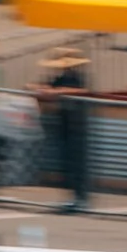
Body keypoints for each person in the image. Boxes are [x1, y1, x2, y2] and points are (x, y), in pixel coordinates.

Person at [33, 46, 92, 212]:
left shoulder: (77, 78)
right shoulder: (59, 78)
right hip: (64, 123)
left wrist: (57, 93)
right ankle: (74, 196)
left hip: (77, 125)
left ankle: (81, 198)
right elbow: (43, 89)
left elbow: (83, 92)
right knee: (68, 163)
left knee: (77, 163)